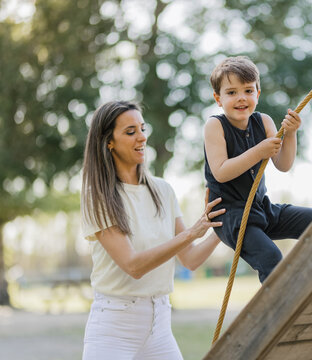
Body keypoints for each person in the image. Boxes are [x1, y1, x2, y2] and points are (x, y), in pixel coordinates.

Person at [81, 101, 225, 360]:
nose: (142, 137)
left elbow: (190, 259)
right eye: (130, 131)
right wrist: (191, 233)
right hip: (114, 329)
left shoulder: (163, 191)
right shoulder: (99, 196)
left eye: (142, 128)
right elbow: (133, 266)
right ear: (108, 142)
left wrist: (225, 227)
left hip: (160, 325)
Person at [204, 56, 312, 283]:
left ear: (258, 93)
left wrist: (291, 134)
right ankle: (280, 310)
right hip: (231, 216)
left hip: (261, 207)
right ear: (218, 98)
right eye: (232, 92)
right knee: (271, 257)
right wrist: (258, 151)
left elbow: (283, 165)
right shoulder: (215, 126)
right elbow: (221, 171)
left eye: (248, 90)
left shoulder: (264, 121)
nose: (241, 98)